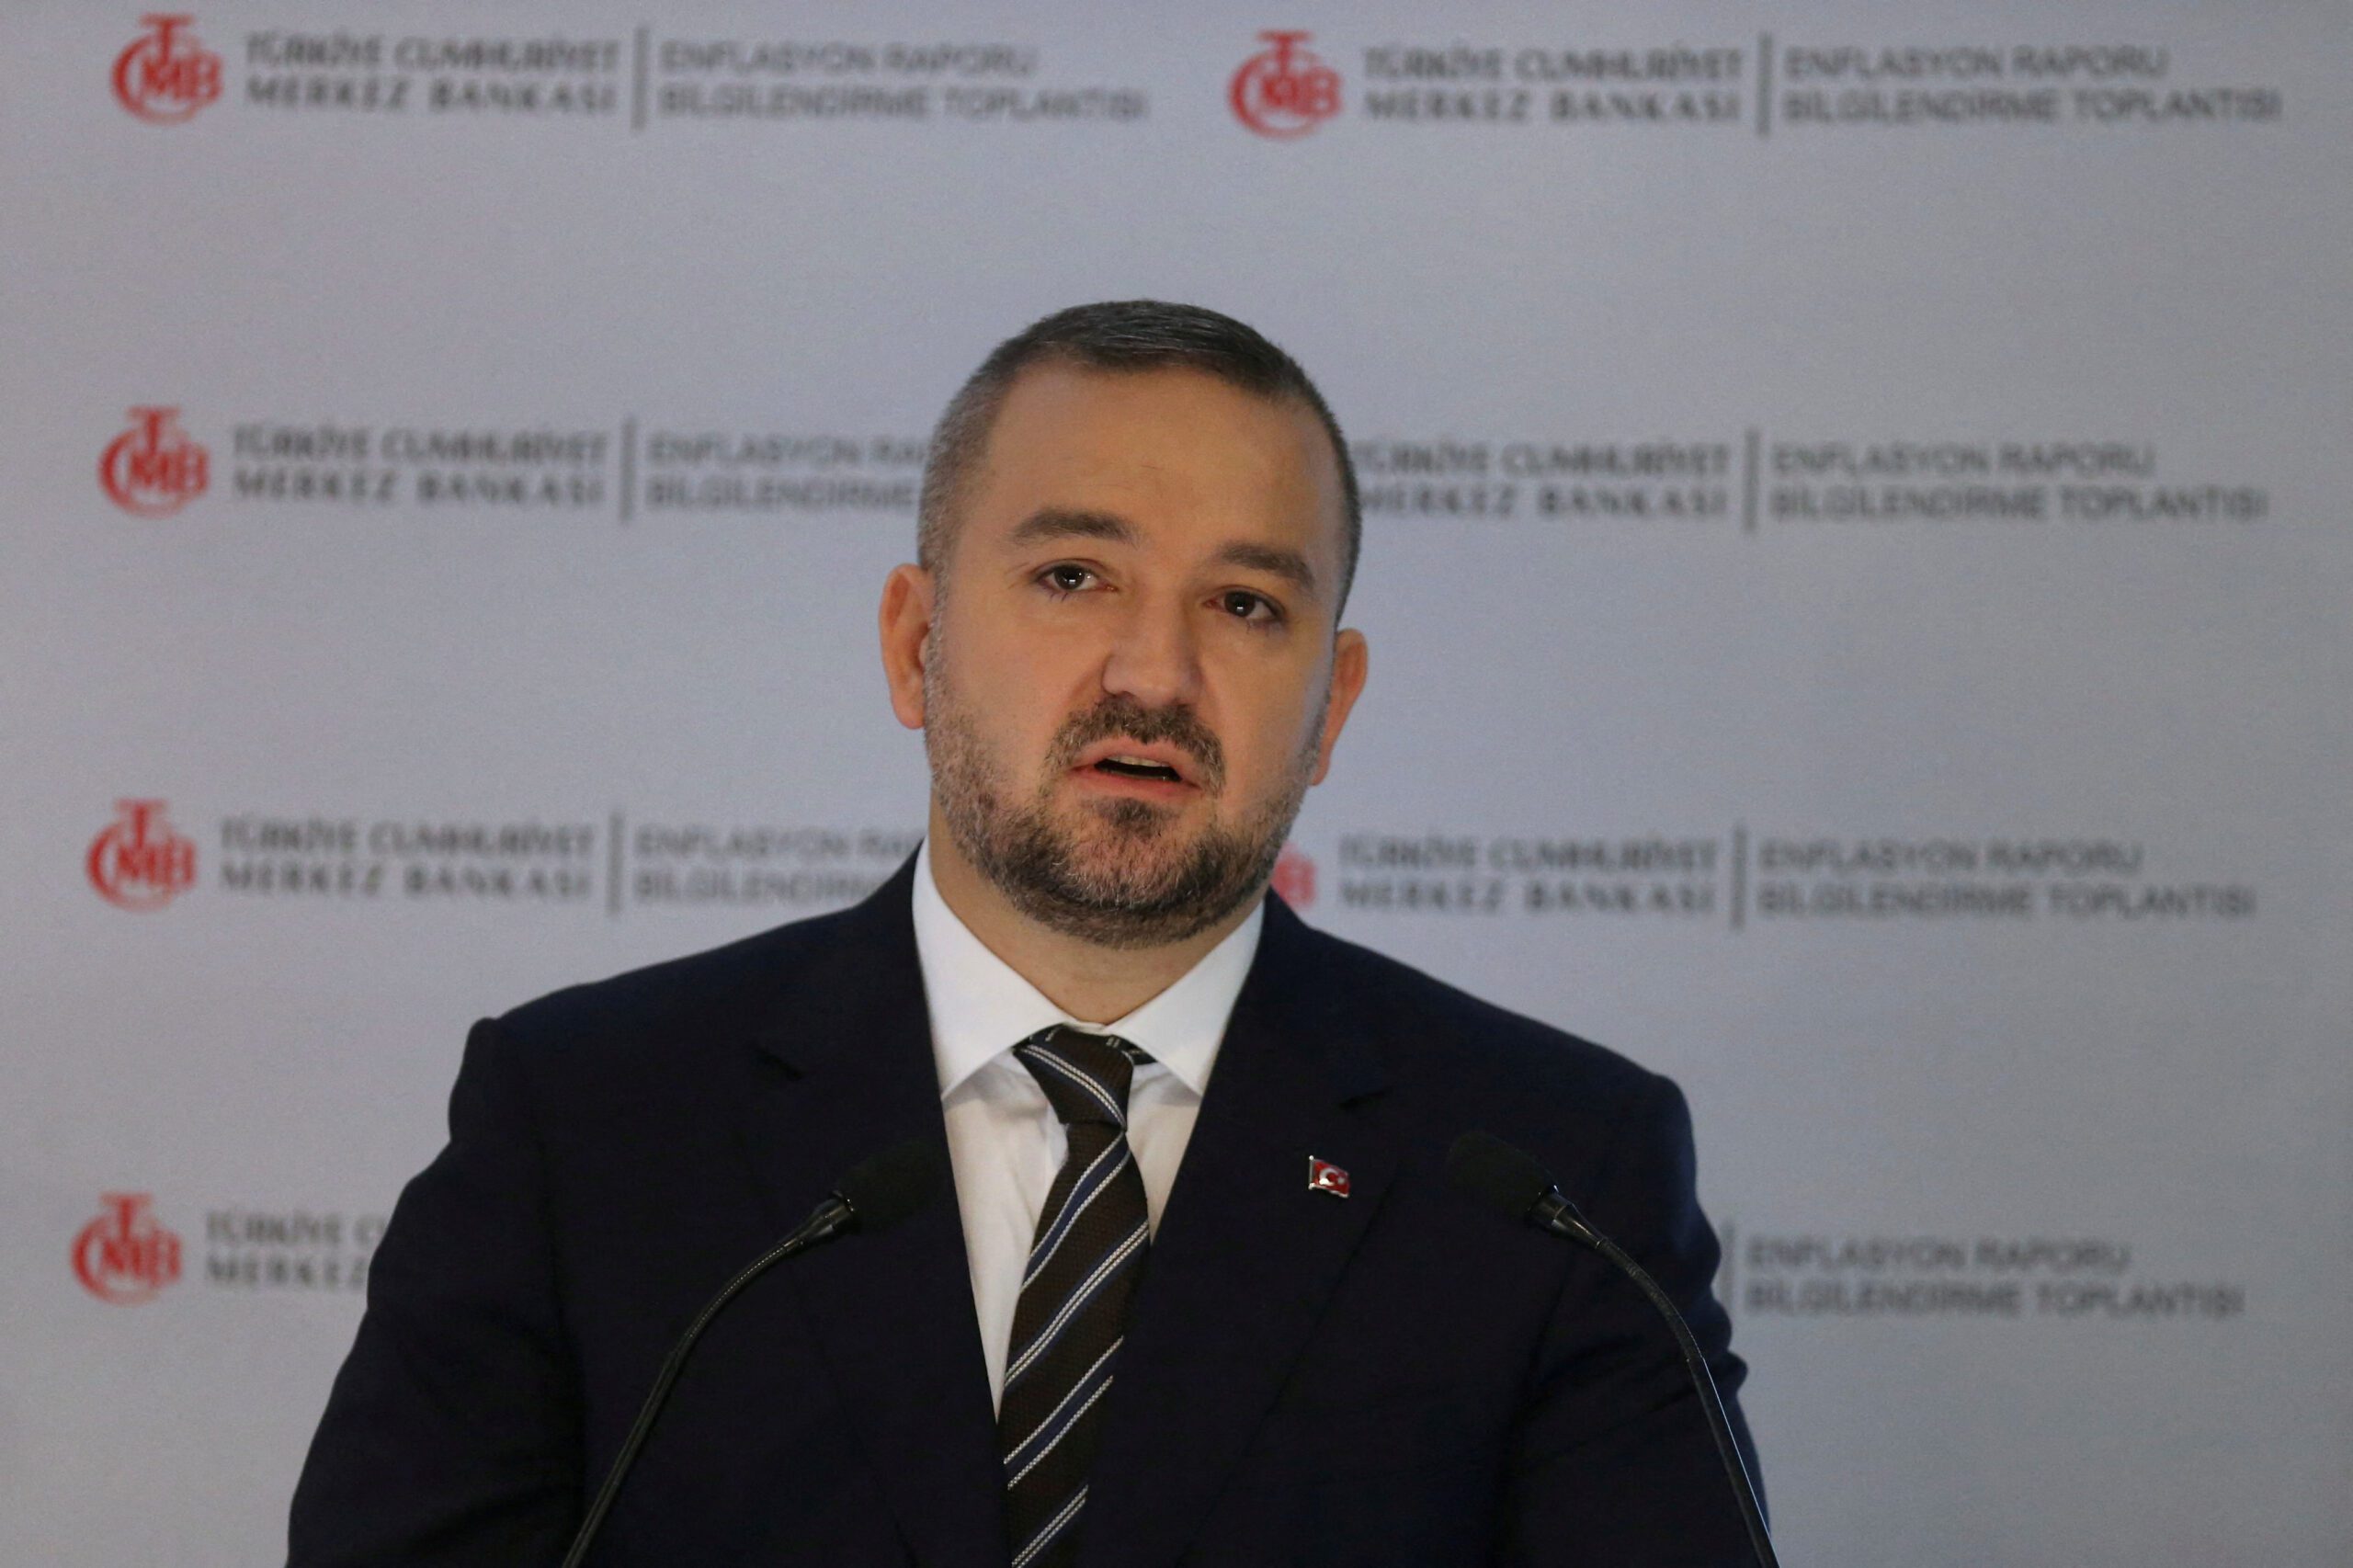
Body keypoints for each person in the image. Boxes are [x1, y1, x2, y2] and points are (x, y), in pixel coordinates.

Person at [288, 301, 1759, 1566]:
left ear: (1335, 705)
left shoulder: (1551, 1176)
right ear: (915, 645)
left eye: (1246, 604)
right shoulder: (589, 1123)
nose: (1155, 671)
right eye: (1073, 578)